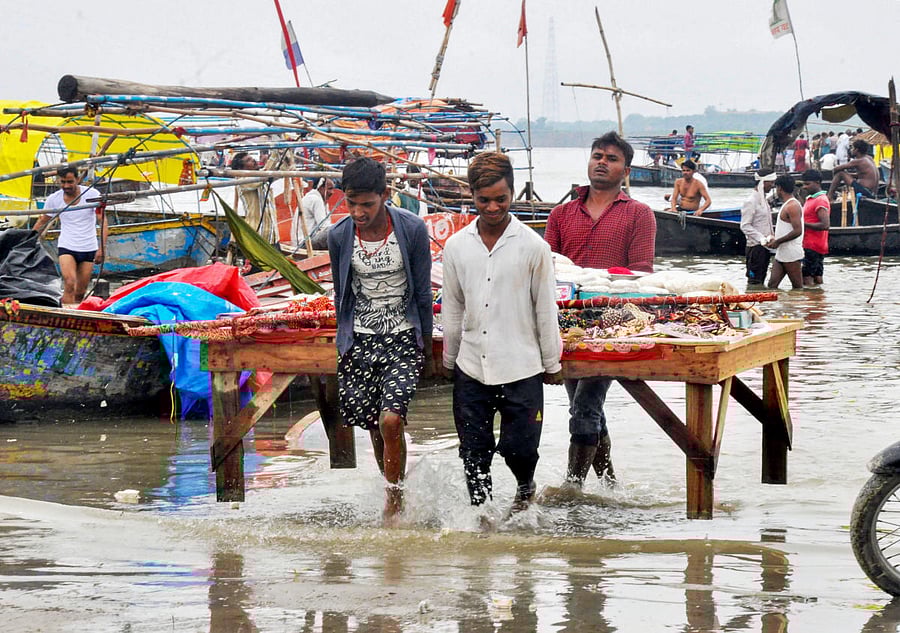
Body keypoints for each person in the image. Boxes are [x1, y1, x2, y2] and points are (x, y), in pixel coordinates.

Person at [441, 152, 562, 513]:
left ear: (512, 194)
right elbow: (453, 307)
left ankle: (525, 492)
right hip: (471, 366)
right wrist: (449, 359)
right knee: (473, 452)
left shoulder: (533, 247)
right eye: (484, 200)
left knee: (520, 448)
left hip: (521, 365)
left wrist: (552, 363)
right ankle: (482, 517)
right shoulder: (456, 246)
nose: (493, 207)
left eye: (501, 199)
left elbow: (545, 308)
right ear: (472, 196)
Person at [544, 131, 657, 489]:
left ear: (626, 169)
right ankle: (609, 483)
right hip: (566, 323)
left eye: (611, 158)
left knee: (585, 407)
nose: (602, 163)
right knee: (584, 406)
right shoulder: (562, 213)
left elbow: (641, 275)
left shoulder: (639, 214)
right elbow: (548, 267)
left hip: (613, 323)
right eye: (597, 156)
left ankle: (572, 489)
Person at [327, 157, 434, 524]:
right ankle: (395, 486)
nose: (358, 212)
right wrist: (343, 341)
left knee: (391, 420)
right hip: (360, 341)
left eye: (367, 204)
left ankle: (393, 501)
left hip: (403, 337)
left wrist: (428, 341)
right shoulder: (339, 235)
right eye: (351, 203)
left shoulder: (412, 229)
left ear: (385, 196)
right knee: (374, 424)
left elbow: (422, 291)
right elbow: (342, 292)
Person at [32, 166, 108, 305]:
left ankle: (76, 316)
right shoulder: (54, 199)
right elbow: (43, 220)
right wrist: (29, 240)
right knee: (69, 283)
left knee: (80, 291)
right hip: (67, 246)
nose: (66, 186)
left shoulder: (92, 195)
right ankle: (64, 315)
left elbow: (102, 221)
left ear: (78, 179)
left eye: (70, 182)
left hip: (88, 247)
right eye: (63, 182)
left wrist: (101, 248)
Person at [230, 150, 281, 244]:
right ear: (241, 168)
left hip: (272, 235)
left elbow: (273, 170)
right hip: (257, 234)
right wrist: (275, 153)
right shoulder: (243, 182)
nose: (253, 160)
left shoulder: (260, 177)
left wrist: (280, 154)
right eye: (248, 160)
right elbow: (266, 174)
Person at [765, 175, 804, 290]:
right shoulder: (787, 205)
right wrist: (775, 239)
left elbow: (798, 230)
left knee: (797, 288)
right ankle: (779, 308)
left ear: (779, 188)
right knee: (772, 286)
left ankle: (801, 306)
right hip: (782, 251)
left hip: (791, 252)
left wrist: (778, 241)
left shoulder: (792, 206)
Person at [739, 169, 777, 286]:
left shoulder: (763, 199)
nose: (772, 185)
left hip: (765, 247)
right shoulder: (751, 201)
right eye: (770, 182)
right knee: (754, 281)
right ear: (763, 182)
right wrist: (761, 238)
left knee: (761, 278)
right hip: (755, 247)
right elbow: (745, 226)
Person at [799, 169, 830, 286]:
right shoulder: (811, 199)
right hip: (816, 245)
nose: (805, 187)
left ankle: (809, 302)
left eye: (807, 184)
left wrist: (802, 224)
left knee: (807, 279)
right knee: (817, 277)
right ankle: (817, 301)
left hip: (812, 245)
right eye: (803, 184)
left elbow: (825, 225)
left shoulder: (820, 200)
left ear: (817, 182)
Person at [296, 177, 335, 246]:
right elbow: (324, 226)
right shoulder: (316, 199)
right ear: (321, 188)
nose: (332, 192)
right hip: (305, 243)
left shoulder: (321, 200)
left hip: (307, 240)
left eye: (333, 189)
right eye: (330, 189)